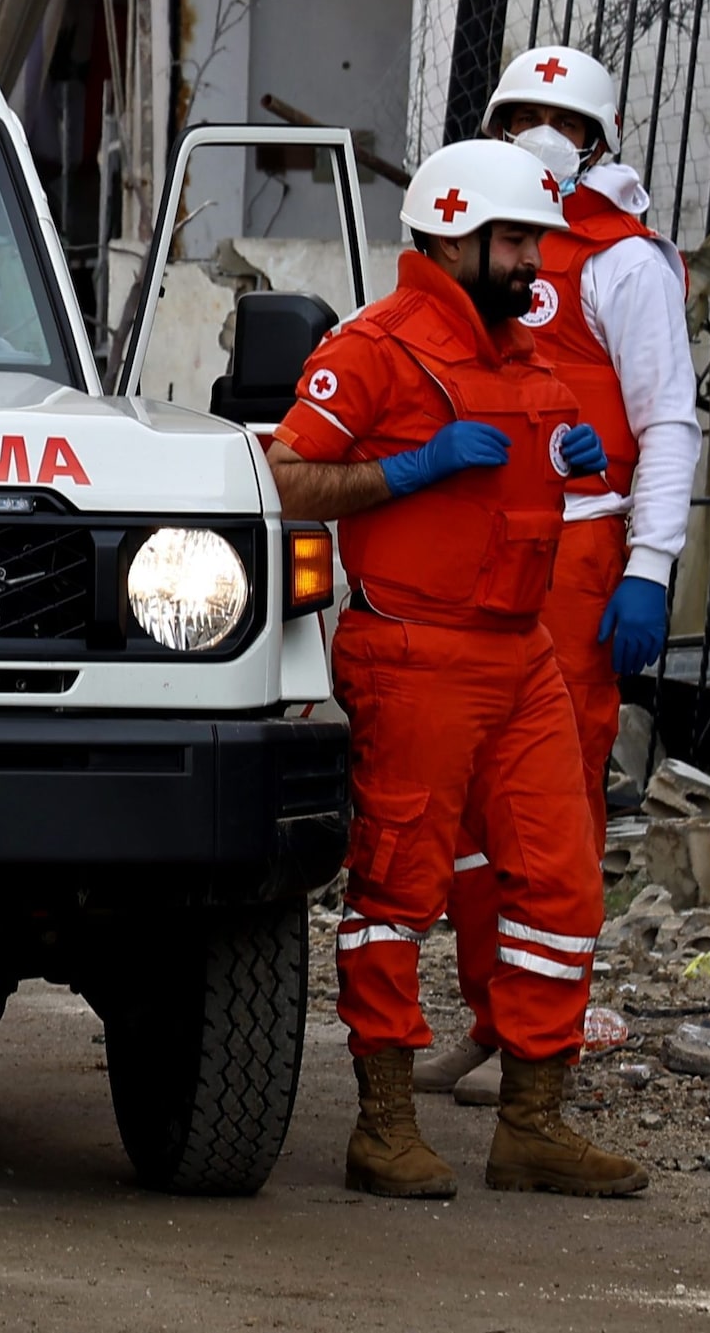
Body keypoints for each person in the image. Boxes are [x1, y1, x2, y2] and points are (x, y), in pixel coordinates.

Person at [267, 138, 649, 1201]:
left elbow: (542, 469)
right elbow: (286, 476)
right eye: (515, 240)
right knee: (400, 883)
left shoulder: (523, 354)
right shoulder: (373, 348)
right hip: (413, 651)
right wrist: (410, 469)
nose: (533, 261)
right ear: (450, 235)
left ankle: (533, 1124)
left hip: (522, 653)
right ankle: (383, 1126)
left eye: (536, 240)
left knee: (562, 878)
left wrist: (575, 461)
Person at [418, 45, 702, 1099]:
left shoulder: (624, 264)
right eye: (522, 115)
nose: (542, 134)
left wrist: (650, 565)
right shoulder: (465, 245)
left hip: (577, 555)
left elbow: (667, 420)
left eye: (565, 120)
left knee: (552, 805)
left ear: (597, 142)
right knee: (462, 808)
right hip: (472, 551)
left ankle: (548, 1035)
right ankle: (493, 1018)